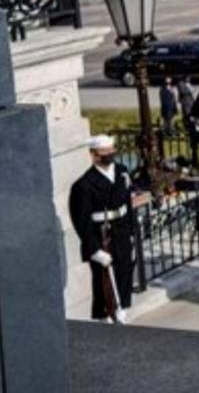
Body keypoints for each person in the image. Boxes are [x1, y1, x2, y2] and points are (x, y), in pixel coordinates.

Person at [68, 134, 135, 323]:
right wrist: (94, 249)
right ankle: (105, 313)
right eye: (104, 152)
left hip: (121, 229)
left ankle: (122, 307)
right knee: (102, 277)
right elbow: (81, 221)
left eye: (111, 151)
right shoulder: (84, 185)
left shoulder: (122, 172)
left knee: (124, 269)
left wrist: (131, 231)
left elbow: (128, 205)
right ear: (94, 155)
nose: (109, 155)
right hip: (101, 235)